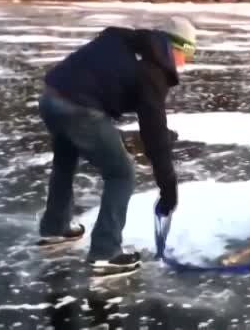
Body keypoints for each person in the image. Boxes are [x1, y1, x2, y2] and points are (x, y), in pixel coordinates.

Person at [36, 16, 197, 275]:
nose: (184, 62)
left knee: (65, 161)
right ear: (177, 48)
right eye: (187, 54)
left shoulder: (127, 41)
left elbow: (108, 79)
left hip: (50, 98)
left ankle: (56, 228)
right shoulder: (153, 70)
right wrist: (168, 187)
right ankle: (106, 252)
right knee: (121, 174)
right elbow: (153, 135)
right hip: (80, 109)